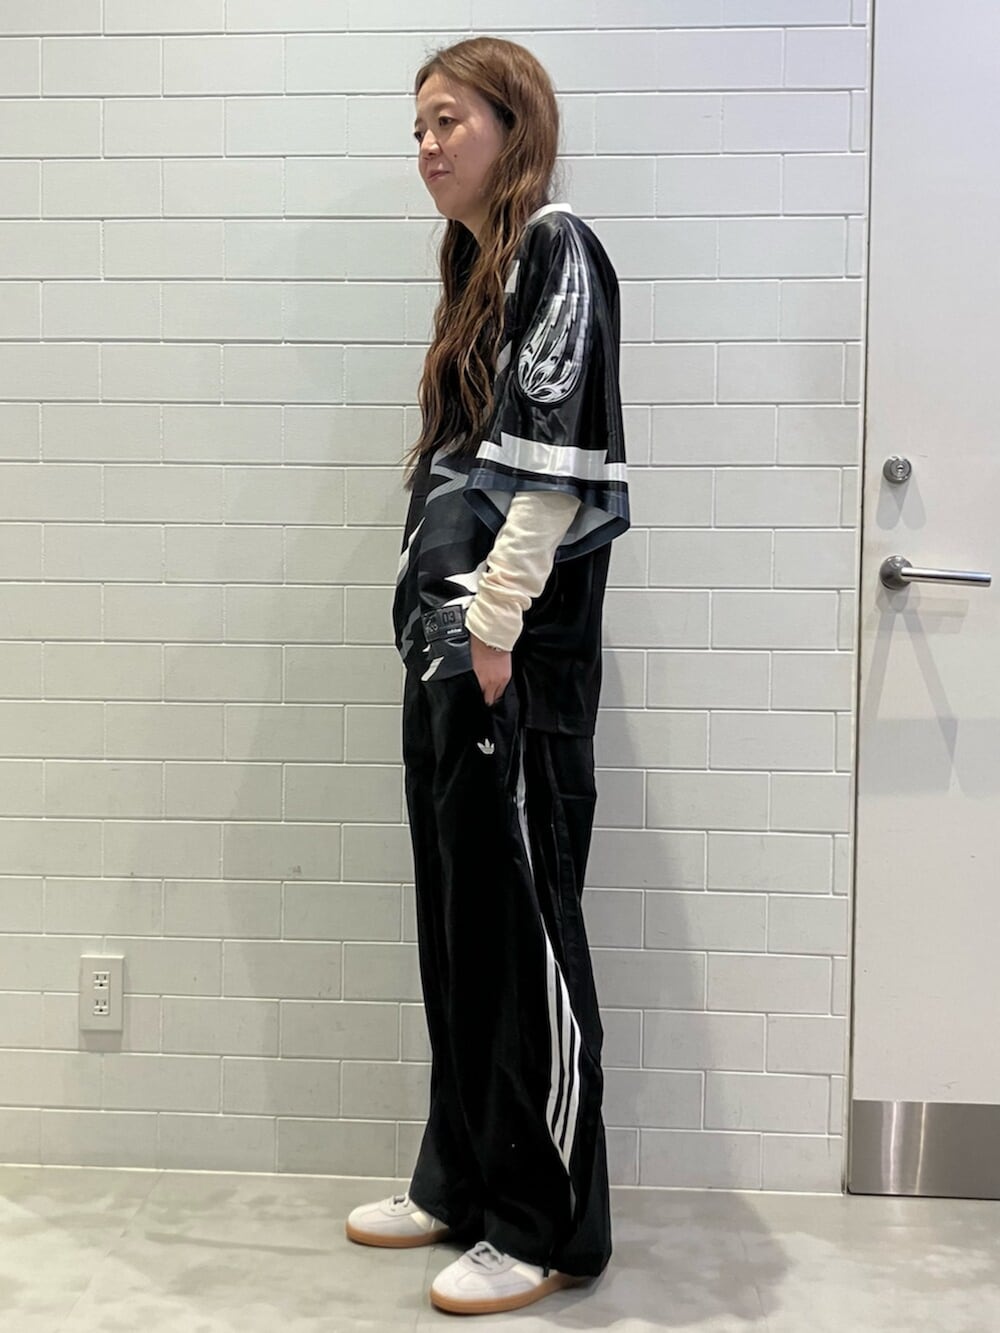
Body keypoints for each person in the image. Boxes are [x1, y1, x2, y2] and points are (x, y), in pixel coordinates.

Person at [345, 36, 630, 1317]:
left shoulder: (557, 247)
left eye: (448, 119)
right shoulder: (473, 268)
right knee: (457, 920)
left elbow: (553, 473)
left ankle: (541, 1221)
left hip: (508, 655)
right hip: (450, 652)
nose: (426, 146)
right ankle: (460, 1177)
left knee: (523, 931)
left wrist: (497, 627)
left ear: (515, 125)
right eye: (416, 127)